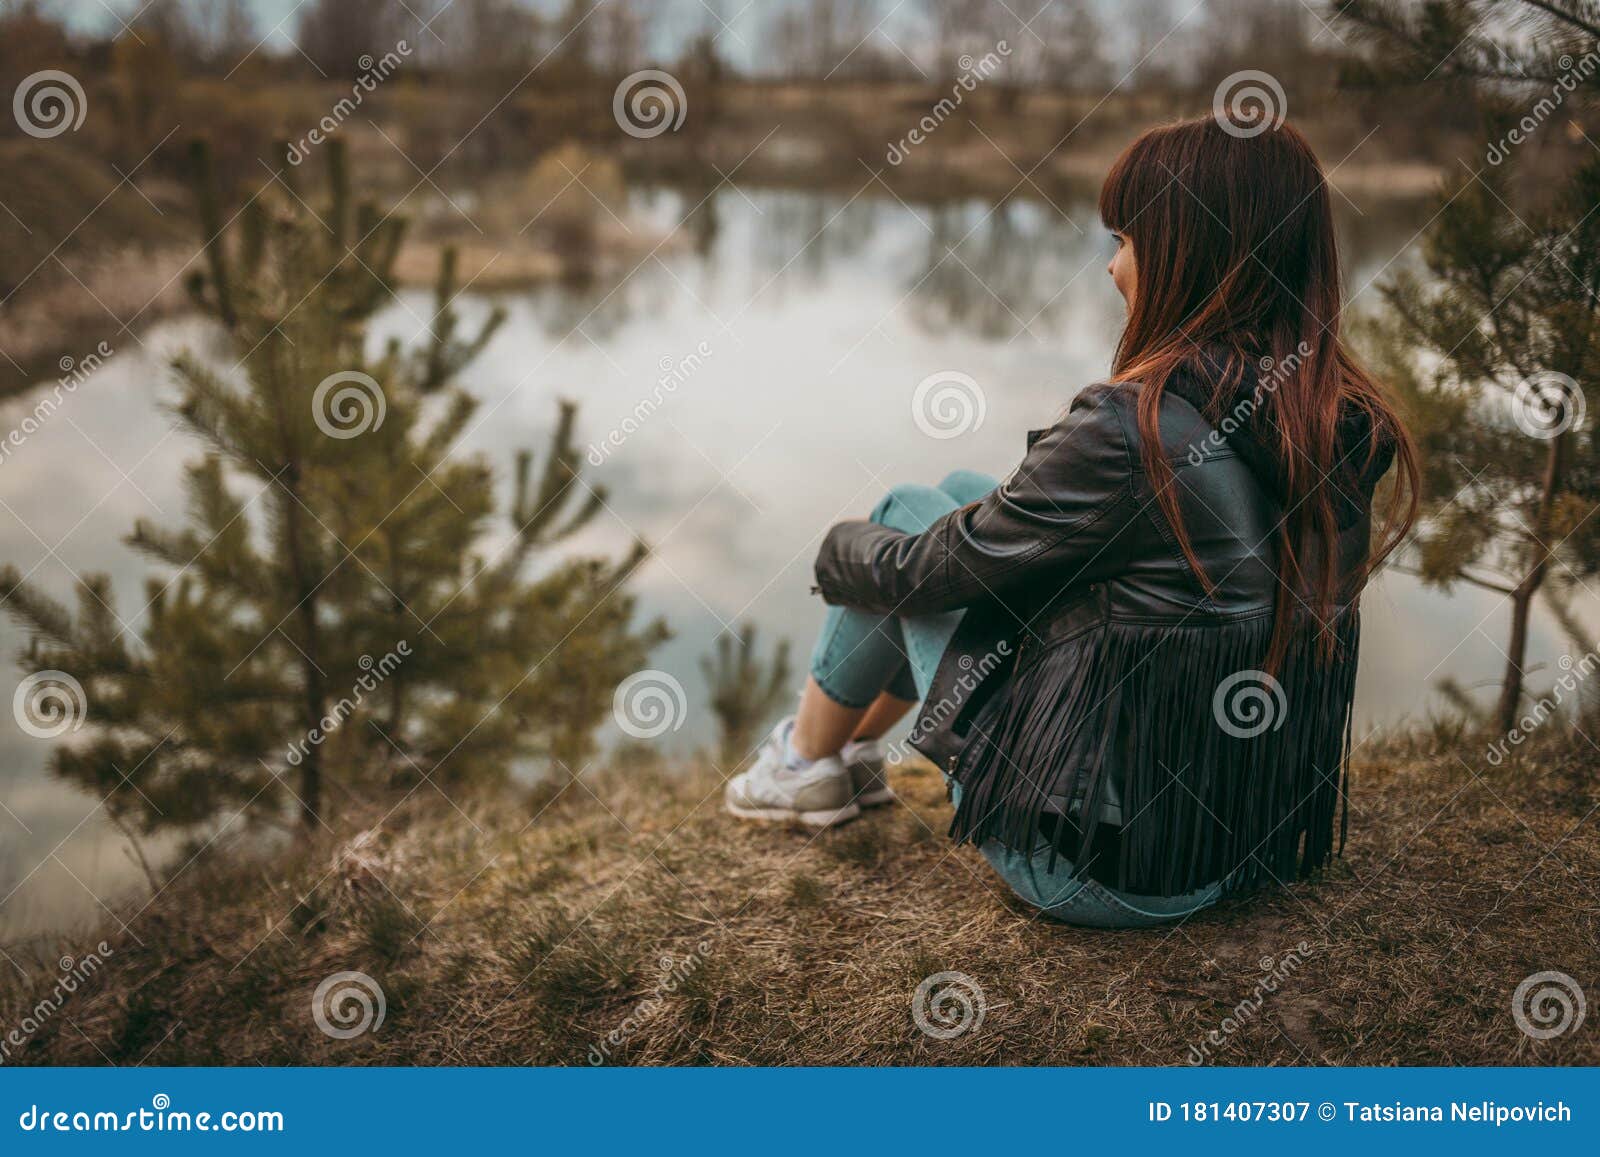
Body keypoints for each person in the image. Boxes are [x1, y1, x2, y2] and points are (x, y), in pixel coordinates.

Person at [724, 115, 1420, 929]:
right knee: (958, 488)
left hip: (1091, 865)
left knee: (904, 517)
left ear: (1189, 250)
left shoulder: (1133, 430)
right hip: (1236, 849)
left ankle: (805, 765)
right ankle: (846, 759)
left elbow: (926, 571)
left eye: (1125, 240)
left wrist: (837, 546)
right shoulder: (1326, 417)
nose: (1113, 268)